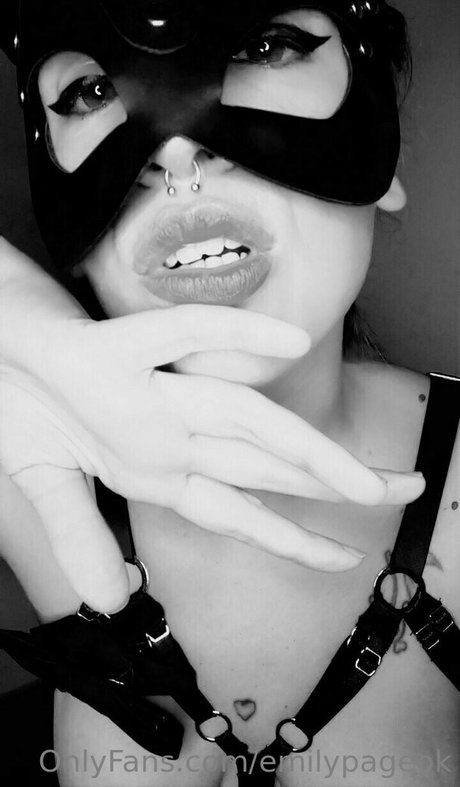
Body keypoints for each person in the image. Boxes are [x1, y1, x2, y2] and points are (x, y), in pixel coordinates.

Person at [0, 1, 458, 786]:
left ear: (383, 146)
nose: (177, 154)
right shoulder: (30, 467)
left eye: (267, 46)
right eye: (91, 90)